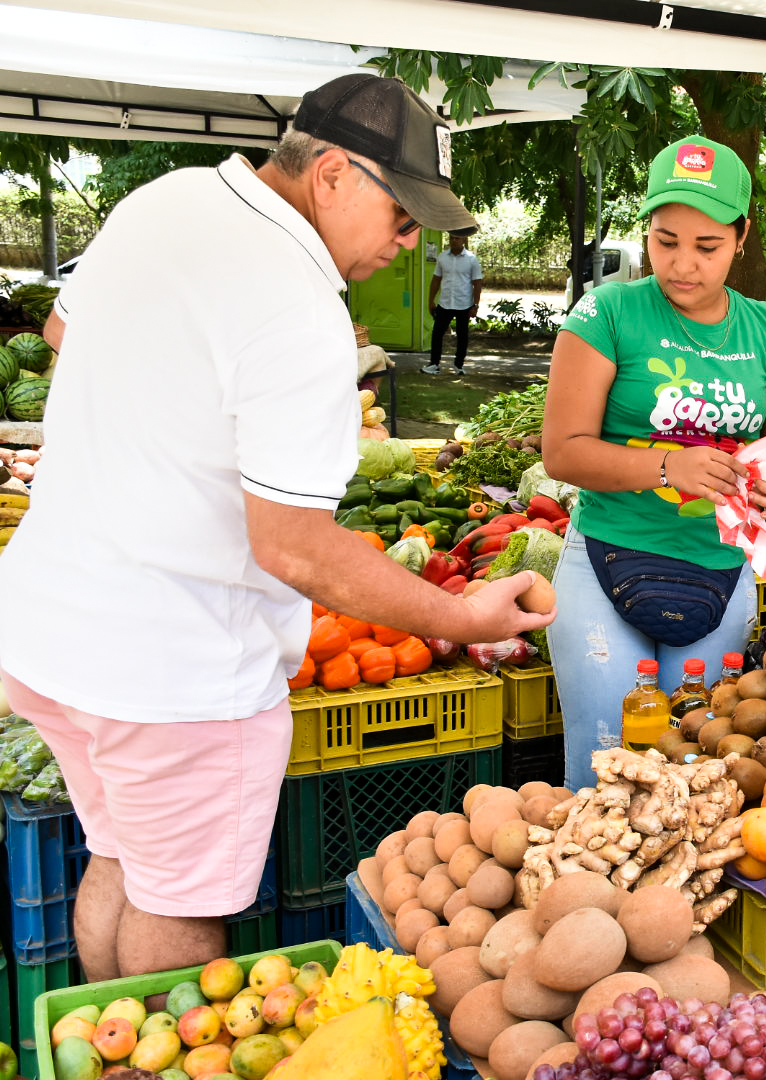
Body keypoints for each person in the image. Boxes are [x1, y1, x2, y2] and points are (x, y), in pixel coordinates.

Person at [0, 73, 553, 982]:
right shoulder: (298, 309)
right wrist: (464, 618)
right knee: (177, 908)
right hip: (174, 668)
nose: (411, 242)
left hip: (53, 627)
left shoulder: (164, 201)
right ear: (331, 173)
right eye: (404, 216)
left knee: (125, 861)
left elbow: (65, 330)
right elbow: (293, 545)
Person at [542, 135, 766, 790]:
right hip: (606, 560)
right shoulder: (606, 312)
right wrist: (668, 466)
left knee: (691, 768)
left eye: (707, 246)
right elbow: (562, 450)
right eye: (665, 241)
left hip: (719, 570)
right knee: (604, 772)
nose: (682, 264)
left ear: (742, 236)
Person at [426, 231, 483, 375]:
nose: (454, 240)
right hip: (445, 303)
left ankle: (459, 365)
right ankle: (434, 364)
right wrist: (431, 301)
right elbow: (436, 280)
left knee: (462, 336)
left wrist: (475, 305)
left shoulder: (471, 259)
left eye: (457, 238)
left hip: (464, 303)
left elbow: (477, 283)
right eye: (452, 238)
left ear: (464, 239)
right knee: (437, 334)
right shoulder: (442, 257)